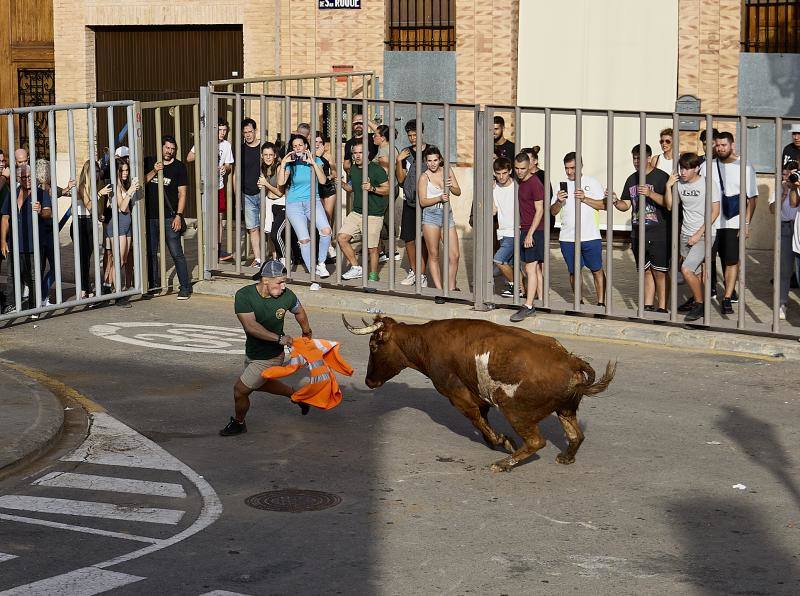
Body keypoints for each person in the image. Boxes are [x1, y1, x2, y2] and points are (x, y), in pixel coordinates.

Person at [220, 259, 312, 436]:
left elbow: (299, 311)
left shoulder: (287, 296)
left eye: (285, 282)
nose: (284, 286)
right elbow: (251, 327)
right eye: (280, 282)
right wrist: (279, 338)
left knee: (240, 390)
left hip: (271, 356)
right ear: (265, 280)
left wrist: (306, 331)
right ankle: (298, 396)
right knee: (260, 384)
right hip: (253, 352)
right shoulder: (244, 295)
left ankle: (239, 423)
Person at [704, 131, 758, 315]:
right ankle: (703, 296)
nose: (719, 148)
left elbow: (752, 198)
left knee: (731, 261)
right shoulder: (708, 166)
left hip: (734, 222)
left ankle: (727, 298)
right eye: (717, 145)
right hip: (711, 222)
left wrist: (746, 223)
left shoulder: (745, 166)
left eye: (723, 145)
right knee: (706, 260)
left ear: (732, 145)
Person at [613, 144, 671, 312]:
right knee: (645, 271)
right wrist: (616, 201)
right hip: (638, 233)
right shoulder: (632, 179)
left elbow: (669, 204)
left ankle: (662, 307)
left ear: (649, 158)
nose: (636, 162)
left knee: (660, 272)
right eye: (634, 158)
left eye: (640, 158)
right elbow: (626, 205)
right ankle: (647, 305)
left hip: (659, 233)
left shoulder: (661, 177)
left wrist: (651, 194)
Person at [666, 152, 720, 322]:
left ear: (697, 168)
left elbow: (715, 212)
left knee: (686, 269)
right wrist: (668, 186)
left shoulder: (708, 183)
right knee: (694, 273)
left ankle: (699, 305)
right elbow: (670, 206)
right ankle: (700, 302)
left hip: (704, 234)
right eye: (681, 168)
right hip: (685, 234)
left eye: (687, 169)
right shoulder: (680, 184)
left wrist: (699, 234)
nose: (683, 172)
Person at [550, 152, 607, 306]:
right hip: (567, 238)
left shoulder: (591, 182)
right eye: (566, 168)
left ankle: (601, 303)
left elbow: (604, 205)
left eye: (573, 167)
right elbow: (553, 211)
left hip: (590, 237)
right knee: (574, 271)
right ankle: (578, 302)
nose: (569, 172)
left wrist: (585, 198)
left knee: (597, 270)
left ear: (581, 166)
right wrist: (559, 201)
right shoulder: (561, 184)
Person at [276, 134, 331, 285]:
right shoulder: (290, 164)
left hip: (313, 201)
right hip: (294, 204)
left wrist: (313, 163)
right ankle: (313, 274)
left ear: (306, 146)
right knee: (305, 240)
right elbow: (281, 182)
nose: (297, 148)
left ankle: (321, 263)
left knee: (326, 231)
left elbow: (323, 180)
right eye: (294, 146)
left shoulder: (316, 160)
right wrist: (283, 163)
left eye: (300, 145)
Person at [144, 135, 191, 299]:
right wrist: (155, 170)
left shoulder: (179, 167)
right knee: (150, 253)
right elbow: (141, 182)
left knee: (176, 253)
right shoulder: (149, 162)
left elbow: (183, 193)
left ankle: (185, 287)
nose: (169, 151)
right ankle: (153, 286)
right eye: (167, 148)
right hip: (150, 217)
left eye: (172, 149)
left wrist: (179, 215)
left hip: (169, 217)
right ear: (161, 147)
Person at [0, 164, 51, 313]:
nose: (27, 180)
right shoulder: (12, 194)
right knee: (12, 276)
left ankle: (34, 307)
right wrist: (3, 240)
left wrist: (41, 211)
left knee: (34, 277)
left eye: (29, 177)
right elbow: (5, 217)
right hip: (15, 244)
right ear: (18, 179)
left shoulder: (41, 193)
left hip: (34, 244)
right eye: (23, 177)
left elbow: (48, 213)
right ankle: (10, 304)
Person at [339, 141, 390, 281]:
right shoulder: (354, 169)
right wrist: (340, 183)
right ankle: (356, 268)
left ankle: (373, 275)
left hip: (373, 214)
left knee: (372, 248)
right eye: (355, 153)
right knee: (342, 238)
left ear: (367, 153)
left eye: (360, 152)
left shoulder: (376, 170)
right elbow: (351, 188)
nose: (357, 155)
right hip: (357, 212)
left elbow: (388, 189)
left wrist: (372, 188)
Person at [418, 146, 462, 303]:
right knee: (434, 255)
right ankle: (439, 291)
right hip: (431, 216)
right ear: (425, 162)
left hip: (447, 215)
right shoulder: (424, 177)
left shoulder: (446, 170)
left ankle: (451, 288)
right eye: (429, 161)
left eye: (435, 160)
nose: (432, 164)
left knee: (454, 255)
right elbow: (422, 201)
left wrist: (451, 186)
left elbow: (458, 192)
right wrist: (438, 198)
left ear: (440, 159)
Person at [187, 118, 234, 262]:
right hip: (205, 186)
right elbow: (189, 158)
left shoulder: (226, 145)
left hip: (218, 185)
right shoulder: (205, 141)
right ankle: (206, 250)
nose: (222, 133)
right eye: (220, 130)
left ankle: (218, 250)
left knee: (219, 219)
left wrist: (224, 169)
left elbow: (229, 165)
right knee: (207, 218)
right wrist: (203, 151)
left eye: (225, 130)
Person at [509, 152, 545, 322]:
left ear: (529, 165)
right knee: (534, 268)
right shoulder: (521, 182)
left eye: (522, 168)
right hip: (526, 229)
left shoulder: (534, 183)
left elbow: (540, 210)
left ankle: (529, 305)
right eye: (516, 168)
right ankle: (541, 300)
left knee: (530, 269)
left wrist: (530, 233)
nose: (519, 171)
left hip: (535, 231)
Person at [101, 159, 140, 306]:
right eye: (122, 171)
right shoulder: (114, 185)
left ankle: (106, 288)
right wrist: (130, 191)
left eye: (126, 170)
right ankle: (117, 294)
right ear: (116, 171)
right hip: (117, 225)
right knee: (118, 260)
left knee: (122, 260)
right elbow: (122, 207)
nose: (125, 173)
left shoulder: (122, 185)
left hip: (126, 225)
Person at [395, 119, 428, 287]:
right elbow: (400, 180)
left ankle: (422, 274)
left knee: (423, 239)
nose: (413, 138)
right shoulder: (405, 153)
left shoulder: (431, 151)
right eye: (410, 135)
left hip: (427, 203)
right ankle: (414, 271)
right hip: (410, 202)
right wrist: (398, 161)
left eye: (415, 135)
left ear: (422, 133)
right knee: (409, 238)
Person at [73, 160, 112, 299]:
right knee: (83, 258)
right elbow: (89, 205)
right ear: (87, 172)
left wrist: (99, 216)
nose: (97, 174)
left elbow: (93, 210)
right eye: (94, 171)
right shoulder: (82, 186)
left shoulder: (95, 186)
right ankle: (84, 289)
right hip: (79, 223)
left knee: (87, 258)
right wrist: (99, 194)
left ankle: (85, 288)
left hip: (89, 223)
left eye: (98, 171)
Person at [769, 160, 799, 320]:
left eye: (791, 174)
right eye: (785, 174)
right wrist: (784, 193)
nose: (787, 177)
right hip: (785, 228)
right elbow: (772, 209)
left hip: (798, 228)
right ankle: (782, 302)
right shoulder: (779, 188)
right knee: (784, 268)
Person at [491, 157, 519, 298]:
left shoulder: (517, 187)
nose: (501, 176)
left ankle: (517, 286)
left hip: (515, 232)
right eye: (498, 173)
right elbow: (493, 211)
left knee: (498, 260)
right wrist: (489, 192)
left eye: (504, 173)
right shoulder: (495, 188)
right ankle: (517, 288)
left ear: (510, 171)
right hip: (502, 232)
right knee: (510, 263)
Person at [240, 118, 264, 268]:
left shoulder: (264, 148)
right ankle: (259, 259)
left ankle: (274, 257)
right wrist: (237, 194)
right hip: (246, 193)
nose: (248, 135)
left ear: (255, 131)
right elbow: (237, 172)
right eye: (245, 132)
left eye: (250, 131)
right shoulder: (241, 149)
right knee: (252, 228)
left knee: (267, 227)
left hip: (264, 192)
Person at [257, 142, 286, 262]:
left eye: (270, 155)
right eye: (265, 155)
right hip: (268, 202)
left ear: (275, 155)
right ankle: (274, 258)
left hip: (281, 203)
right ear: (262, 156)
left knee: (276, 233)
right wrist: (261, 185)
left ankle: (283, 258)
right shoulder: (263, 167)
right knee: (268, 233)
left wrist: (265, 184)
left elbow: (280, 192)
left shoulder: (279, 167)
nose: (268, 157)